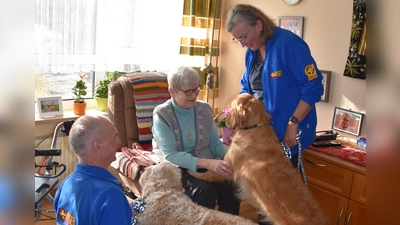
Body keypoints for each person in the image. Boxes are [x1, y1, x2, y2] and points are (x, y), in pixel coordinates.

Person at [226, 4, 324, 168]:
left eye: (244, 36)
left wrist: (293, 124)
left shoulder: (288, 44)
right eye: (238, 39)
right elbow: (246, 88)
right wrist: (235, 114)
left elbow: (313, 88)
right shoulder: (252, 52)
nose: (242, 44)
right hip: (261, 135)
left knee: (284, 189)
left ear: (258, 24)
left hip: (287, 135)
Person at [151, 66, 241, 215]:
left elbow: (215, 144)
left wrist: (233, 159)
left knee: (231, 183)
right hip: (177, 167)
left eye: (196, 89)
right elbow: (171, 155)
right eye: (188, 91)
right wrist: (208, 163)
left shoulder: (204, 109)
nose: (194, 95)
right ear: (172, 91)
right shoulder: (162, 115)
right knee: (205, 191)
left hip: (205, 162)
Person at [53, 115, 132, 225]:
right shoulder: (110, 195)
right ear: (97, 146)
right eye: (114, 137)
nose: (118, 142)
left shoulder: (65, 185)